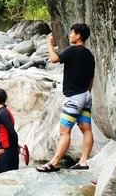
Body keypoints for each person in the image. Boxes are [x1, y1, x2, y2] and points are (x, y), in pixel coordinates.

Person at [37, 23, 96, 172]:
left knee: (64, 130)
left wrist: (49, 44)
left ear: (78, 36)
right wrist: (86, 94)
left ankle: (54, 163)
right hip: (86, 95)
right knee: (86, 129)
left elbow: (54, 59)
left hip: (74, 97)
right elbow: (91, 79)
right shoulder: (89, 55)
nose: (70, 36)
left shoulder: (72, 50)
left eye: (72, 33)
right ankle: (83, 161)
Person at [0, 88, 20, 173]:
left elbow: (12, 132)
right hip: (5, 150)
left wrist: (16, 146)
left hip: (8, 152)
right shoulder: (2, 112)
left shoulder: (3, 113)